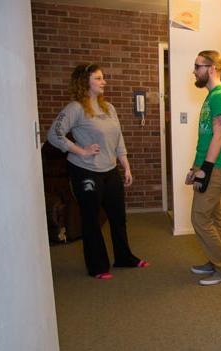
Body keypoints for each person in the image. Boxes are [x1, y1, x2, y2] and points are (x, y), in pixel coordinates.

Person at [47, 63, 149, 280]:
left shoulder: (108, 108)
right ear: (85, 82)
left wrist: (126, 165)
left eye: (103, 78)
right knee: (91, 219)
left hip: (110, 170)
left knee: (118, 217)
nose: (104, 82)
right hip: (86, 171)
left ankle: (124, 257)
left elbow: (118, 138)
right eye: (99, 78)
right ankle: (97, 266)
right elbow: (54, 135)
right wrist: (80, 150)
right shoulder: (75, 108)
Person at [185, 50, 221, 286]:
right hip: (207, 165)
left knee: (199, 217)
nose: (194, 71)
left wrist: (205, 170)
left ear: (212, 68)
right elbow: (206, 138)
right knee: (213, 216)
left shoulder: (220, 97)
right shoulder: (210, 97)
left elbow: (219, 136)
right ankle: (215, 260)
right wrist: (194, 167)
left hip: (216, 167)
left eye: (198, 66)